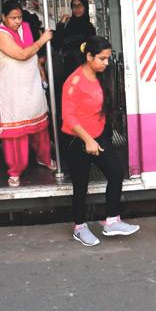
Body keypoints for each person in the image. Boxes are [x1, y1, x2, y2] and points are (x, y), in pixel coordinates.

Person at [61, 35, 140, 246]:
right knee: (81, 186)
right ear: (89, 56)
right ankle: (79, 227)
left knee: (116, 173)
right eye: (102, 58)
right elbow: (68, 117)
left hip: (98, 136)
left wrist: (103, 135)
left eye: (108, 58)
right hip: (76, 140)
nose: (106, 63)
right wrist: (87, 140)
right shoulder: (74, 81)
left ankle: (112, 221)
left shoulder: (100, 75)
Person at [0, 0, 57, 187]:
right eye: (12, 18)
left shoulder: (25, 29)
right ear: (3, 17)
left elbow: (33, 59)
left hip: (31, 88)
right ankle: (15, 171)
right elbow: (22, 54)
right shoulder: (0, 34)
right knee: (15, 135)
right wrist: (43, 40)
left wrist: (42, 76)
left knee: (40, 127)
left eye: (19, 17)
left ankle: (44, 158)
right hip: (12, 93)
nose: (17, 21)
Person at [53, 0, 97, 78]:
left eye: (80, 5)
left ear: (85, 7)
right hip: (68, 70)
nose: (77, 9)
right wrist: (61, 23)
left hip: (85, 70)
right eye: (74, 6)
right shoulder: (67, 26)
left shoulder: (90, 28)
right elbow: (56, 44)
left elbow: (93, 51)